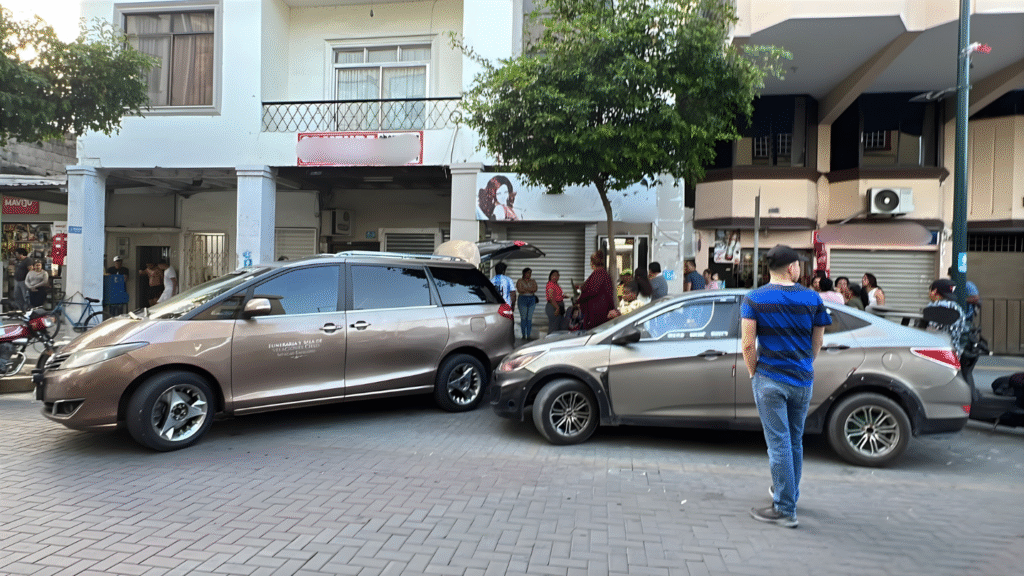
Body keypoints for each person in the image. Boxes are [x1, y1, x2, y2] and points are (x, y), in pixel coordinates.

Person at [741, 245, 831, 529]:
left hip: (770, 379)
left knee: (778, 444)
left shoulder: (754, 298)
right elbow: (818, 341)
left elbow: (747, 344)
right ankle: (788, 494)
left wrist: (754, 373)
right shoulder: (812, 298)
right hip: (802, 379)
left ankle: (785, 509)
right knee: (794, 441)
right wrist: (804, 364)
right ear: (792, 268)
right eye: (799, 265)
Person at [924, 279, 968, 356]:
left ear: (934, 291)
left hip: (936, 353)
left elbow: (928, 330)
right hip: (954, 353)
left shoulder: (933, 307)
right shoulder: (958, 308)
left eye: (930, 290)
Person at [577, 251, 616, 330]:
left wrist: (579, 299)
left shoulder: (598, 274)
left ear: (592, 263)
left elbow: (592, 290)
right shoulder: (603, 274)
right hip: (602, 310)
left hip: (595, 312)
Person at [516, 267, 538, 340]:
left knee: (529, 318)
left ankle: (528, 335)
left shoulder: (533, 281)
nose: (529, 274)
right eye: (528, 273)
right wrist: (530, 290)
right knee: (523, 317)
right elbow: (520, 290)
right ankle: (523, 335)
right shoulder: (520, 281)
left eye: (530, 273)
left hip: (532, 299)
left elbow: (535, 289)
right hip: (522, 299)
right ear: (524, 273)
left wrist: (525, 289)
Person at [545, 270, 565, 334]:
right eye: (554, 275)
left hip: (558, 306)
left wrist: (565, 296)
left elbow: (558, 295)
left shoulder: (556, 285)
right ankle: (550, 339)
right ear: (550, 276)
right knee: (554, 327)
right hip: (553, 306)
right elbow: (551, 298)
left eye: (557, 275)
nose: (556, 277)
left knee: (559, 326)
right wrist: (557, 308)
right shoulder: (550, 284)